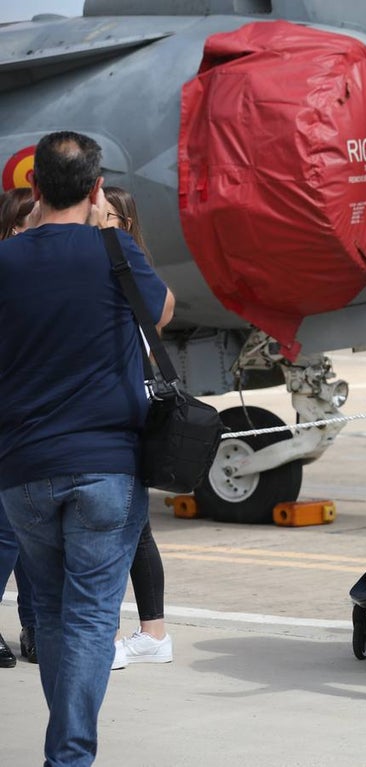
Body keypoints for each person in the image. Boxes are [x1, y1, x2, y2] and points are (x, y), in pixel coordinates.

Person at [0, 131, 175, 765]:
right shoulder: (114, 248)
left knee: (48, 610)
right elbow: (161, 311)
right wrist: (109, 232)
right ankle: (68, 755)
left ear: (35, 187)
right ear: (97, 188)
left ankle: (64, 749)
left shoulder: (8, 259)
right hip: (106, 464)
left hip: (23, 467)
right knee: (90, 618)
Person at [100, 187, 174, 669]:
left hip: (127, 417)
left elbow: (161, 314)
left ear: (122, 225)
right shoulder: (126, 272)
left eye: (104, 215)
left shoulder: (123, 270)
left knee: (125, 529)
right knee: (136, 529)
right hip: (129, 416)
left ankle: (137, 634)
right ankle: (152, 633)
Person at [0, 187, 39, 668]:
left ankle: (35, 628)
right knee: (8, 530)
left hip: (36, 417)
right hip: (10, 415)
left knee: (34, 533)